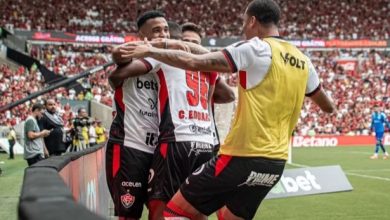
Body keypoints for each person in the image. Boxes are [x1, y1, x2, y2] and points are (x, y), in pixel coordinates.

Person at [124, 0, 336, 219]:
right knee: (227, 216)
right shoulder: (304, 61)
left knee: (176, 210)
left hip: (241, 156)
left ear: (253, 21)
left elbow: (196, 62)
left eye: (244, 22)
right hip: (275, 164)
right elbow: (328, 107)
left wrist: (151, 49)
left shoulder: (255, 47)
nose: (243, 28)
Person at [112, 13, 234, 220]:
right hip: (204, 142)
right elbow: (228, 94)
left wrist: (155, 49)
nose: (189, 46)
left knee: (160, 207)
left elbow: (117, 74)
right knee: (194, 209)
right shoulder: (209, 65)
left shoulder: (165, 57)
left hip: (176, 141)